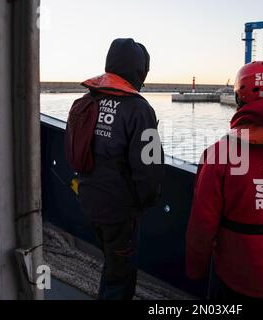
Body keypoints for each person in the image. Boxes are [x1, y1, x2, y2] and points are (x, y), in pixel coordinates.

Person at [186, 61, 263, 300]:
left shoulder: (220, 154)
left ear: (239, 99)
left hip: (237, 281)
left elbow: (202, 225)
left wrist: (195, 270)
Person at [77, 38, 164, 300]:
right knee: (120, 278)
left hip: (89, 201)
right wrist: (146, 201)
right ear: (139, 71)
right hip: (119, 212)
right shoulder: (139, 109)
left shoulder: (86, 101)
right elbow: (149, 168)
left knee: (112, 263)